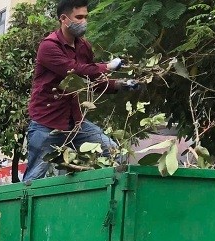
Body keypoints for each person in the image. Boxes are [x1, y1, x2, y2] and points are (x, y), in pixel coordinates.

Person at [24, 0, 140, 182]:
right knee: (34, 179)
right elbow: (74, 70)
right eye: (79, 17)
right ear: (64, 19)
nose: (84, 21)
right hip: (47, 124)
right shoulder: (49, 46)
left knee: (113, 152)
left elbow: (92, 80)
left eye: (86, 17)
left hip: (75, 122)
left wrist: (121, 84)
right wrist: (107, 66)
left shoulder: (83, 47)